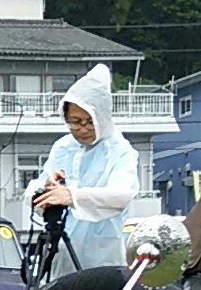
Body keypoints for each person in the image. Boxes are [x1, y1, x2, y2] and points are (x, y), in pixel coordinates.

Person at [22, 64, 141, 270]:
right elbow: (33, 193)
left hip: (103, 256)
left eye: (89, 122)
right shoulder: (63, 147)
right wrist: (48, 189)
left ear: (102, 118)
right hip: (61, 252)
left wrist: (73, 196)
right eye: (75, 122)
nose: (82, 129)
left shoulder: (119, 149)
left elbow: (121, 194)